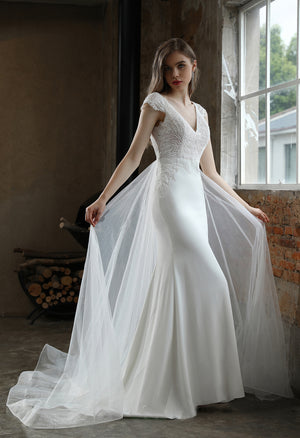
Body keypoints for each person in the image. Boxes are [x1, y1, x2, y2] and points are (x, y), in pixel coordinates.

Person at [6, 38, 293, 429]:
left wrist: (246, 207)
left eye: (181, 66)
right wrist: (104, 198)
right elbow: (133, 156)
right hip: (169, 200)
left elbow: (210, 172)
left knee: (189, 286)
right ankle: (163, 386)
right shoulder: (155, 105)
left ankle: (197, 385)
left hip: (195, 200)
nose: (174, 74)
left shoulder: (203, 113)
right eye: (167, 68)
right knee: (206, 279)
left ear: (194, 66)